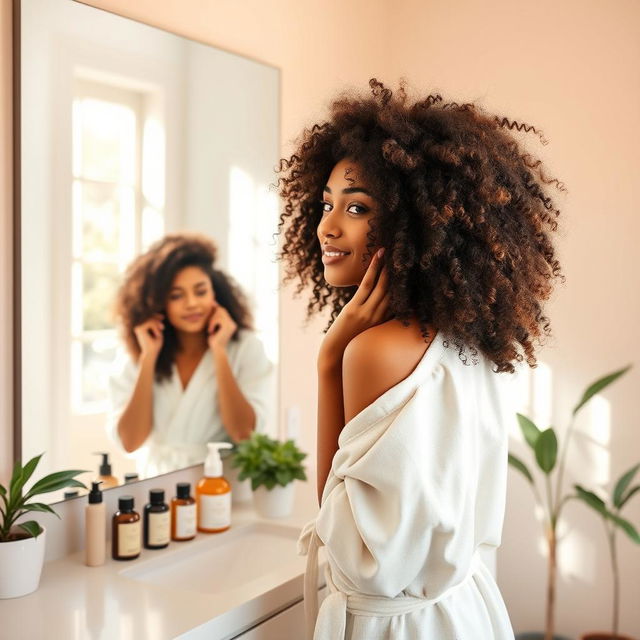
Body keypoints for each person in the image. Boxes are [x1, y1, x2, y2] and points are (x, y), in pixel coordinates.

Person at [277, 79, 564, 639]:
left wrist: (329, 357)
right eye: (327, 203)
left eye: (356, 207)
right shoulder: (459, 341)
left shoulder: (372, 352)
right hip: (465, 615)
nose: (327, 226)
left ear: (414, 222)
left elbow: (356, 550)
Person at [106, 232, 273, 477]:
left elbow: (243, 433)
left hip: (221, 484)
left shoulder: (245, 348)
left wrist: (219, 352)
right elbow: (130, 441)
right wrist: (148, 359)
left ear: (215, 292)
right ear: (158, 302)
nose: (192, 303)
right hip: (156, 484)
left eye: (200, 291)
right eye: (176, 296)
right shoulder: (138, 353)